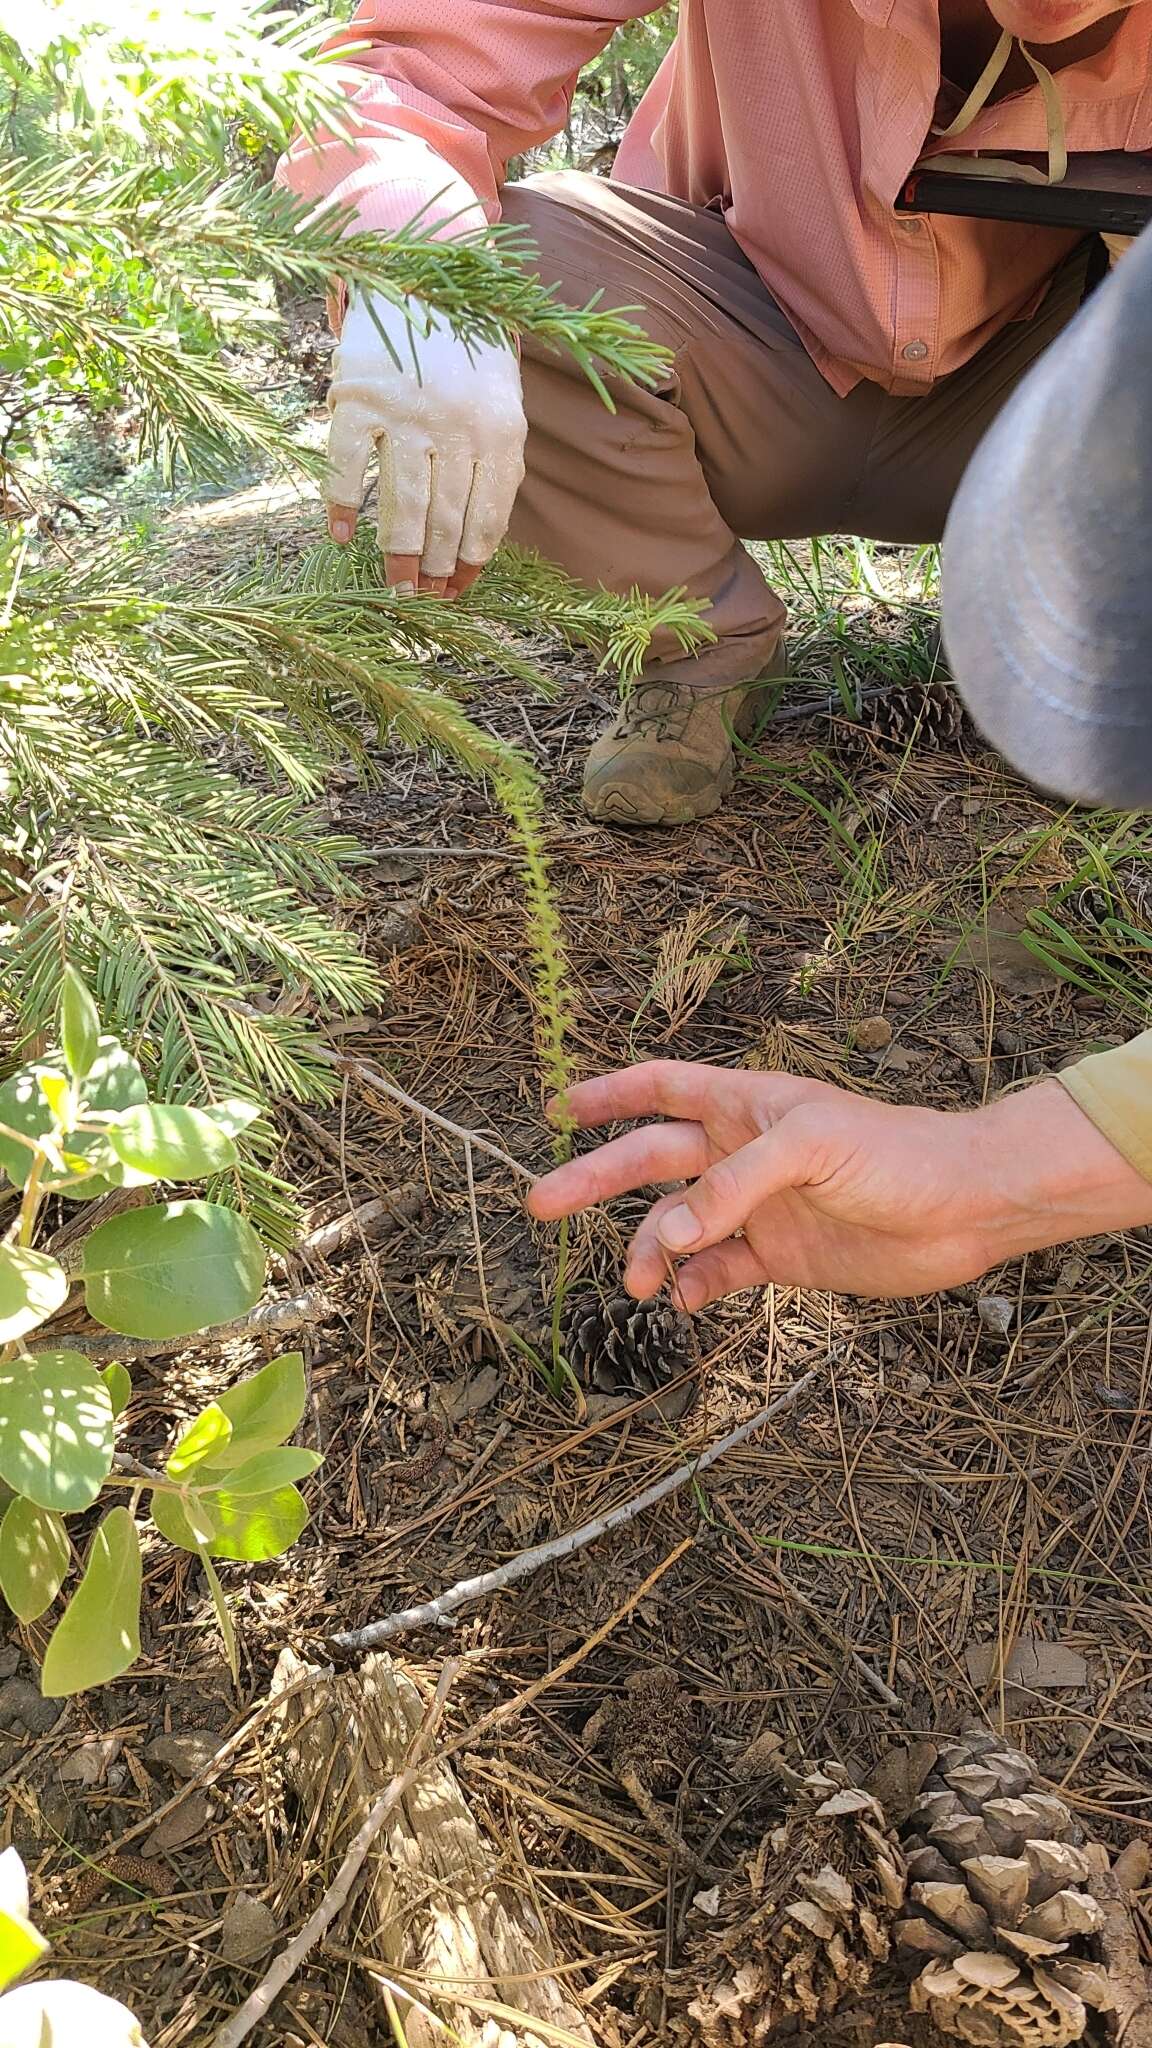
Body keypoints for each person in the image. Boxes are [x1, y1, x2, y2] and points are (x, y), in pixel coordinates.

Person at [279, 0, 1149, 827]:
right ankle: (699, 642)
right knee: (512, 263)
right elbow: (413, 68)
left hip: (1040, 401)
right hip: (740, 341)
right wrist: (423, 271)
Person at [527, 222, 1152, 1302]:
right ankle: (701, 638)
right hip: (791, 371)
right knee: (512, 248)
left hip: (1053, 355)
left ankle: (1090, 631)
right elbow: (439, 63)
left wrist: (991, 1176)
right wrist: (984, 1175)